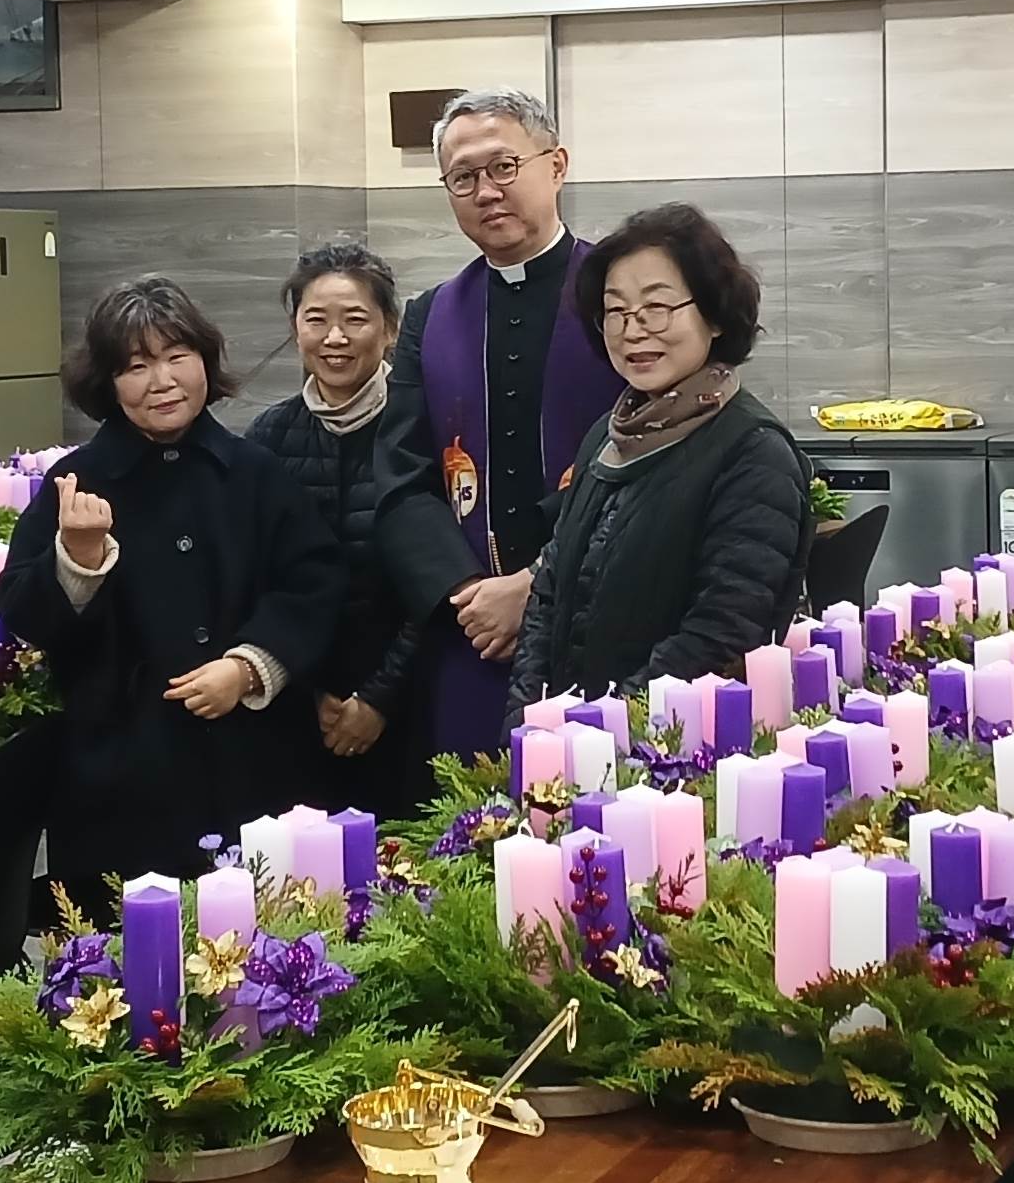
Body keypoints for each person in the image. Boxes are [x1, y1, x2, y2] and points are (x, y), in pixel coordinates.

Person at [0, 277, 345, 890]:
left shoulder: (255, 472)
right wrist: (77, 559)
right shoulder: (77, 481)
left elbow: (315, 585)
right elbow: (24, 613)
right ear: (107, 382)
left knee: (261, 930)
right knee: (128, 936)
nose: (162, 381)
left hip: (254, 768)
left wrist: (248, 668)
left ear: (205, 360)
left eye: (177, 356)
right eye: (136, 366)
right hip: (123, 779)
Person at [388, 88, 622, 759]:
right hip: (475, 635)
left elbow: (653, 464)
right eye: (462, 177)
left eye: (503, 167)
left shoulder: (619, 297)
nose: (486, 191)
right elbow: (401, 479)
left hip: (601, 614)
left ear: (557, 165)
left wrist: (538, 585)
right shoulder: (431, 316)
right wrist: (471, 595)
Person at [513, 203, 812, 701]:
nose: (633, 330)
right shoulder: (604, 438)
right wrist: (527, 719)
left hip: (669, 740)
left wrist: (605, 725)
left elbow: (721, 635)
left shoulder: (754, 453)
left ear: (714, 315)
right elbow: (548, 597)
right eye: (616, 311)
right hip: (569, 737)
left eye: (657, 306)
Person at [240, 242, 470, 816]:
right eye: (316, 320)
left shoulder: (427, 431)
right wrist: (310, 687)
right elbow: (259, 578)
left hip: (415, 698)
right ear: (295, 329)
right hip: (300, 703)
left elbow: (443, 578)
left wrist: (378, 699)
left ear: (390, 330)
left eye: (355, 320)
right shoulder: (268, 438)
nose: (334, 338)